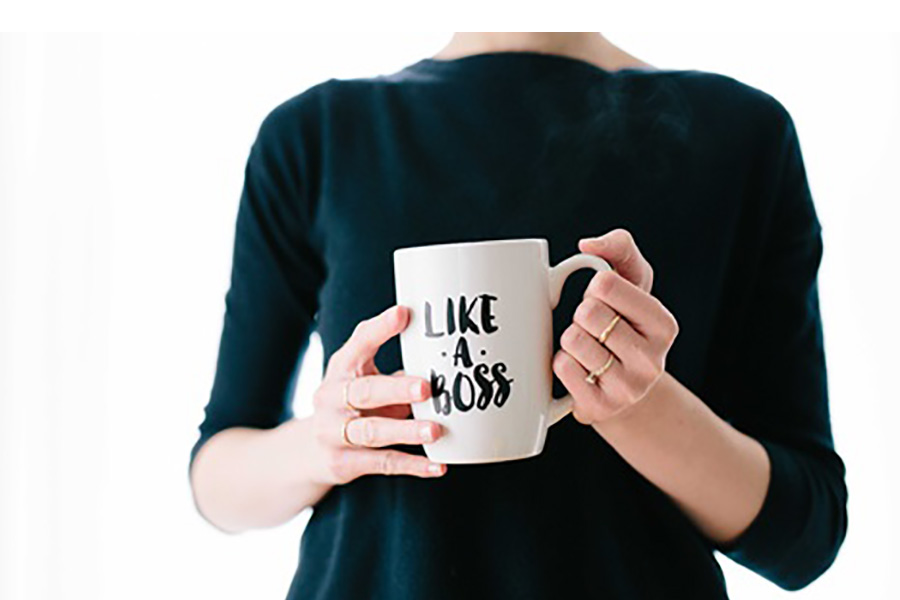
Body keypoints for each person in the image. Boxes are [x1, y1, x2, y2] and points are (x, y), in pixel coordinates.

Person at [188, 32, 848, 599]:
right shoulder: (316, 136)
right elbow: (216, 479)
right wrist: (325, 444)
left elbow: (805, 534)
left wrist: (635, 405)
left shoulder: (740, 135)